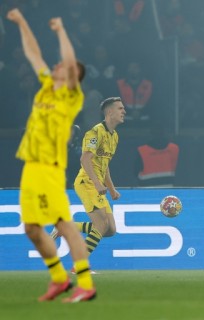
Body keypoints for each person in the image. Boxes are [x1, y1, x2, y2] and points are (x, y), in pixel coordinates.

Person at [8, 8, 96, 302]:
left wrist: (60, 31)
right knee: (32, 228)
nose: (57, 65)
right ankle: (59, 279)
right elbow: (34, 54)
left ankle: (85, 283)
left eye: (62, 66)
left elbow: (70, 63)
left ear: (74, 77)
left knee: (63, 223)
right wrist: (22, 23)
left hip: (49, 168)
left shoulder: (71, 96)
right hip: (30, 166)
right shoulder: (47, 87)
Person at [52, 97, 125, 259]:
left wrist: (112, 189)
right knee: (101, 225)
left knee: (110, 229)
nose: (124, 111)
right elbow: (84, 160)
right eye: (120, 108)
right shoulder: (95, 132)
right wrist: (98, 184)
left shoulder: (114, 137)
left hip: (97, 184)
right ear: (109, 112)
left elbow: (104, 166)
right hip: (87, 182)